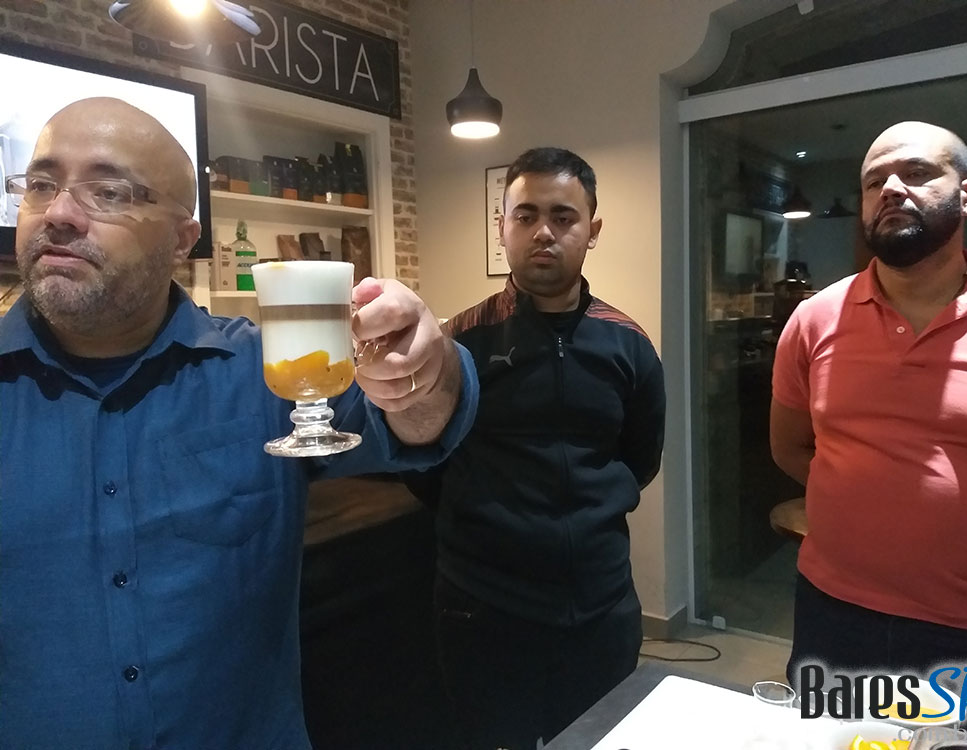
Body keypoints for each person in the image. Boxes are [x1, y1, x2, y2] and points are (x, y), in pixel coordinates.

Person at [0, 97, 477, 749]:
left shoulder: (262, 368)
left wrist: (425, 363)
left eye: (108, 192)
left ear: (182, 239)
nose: (57, 212)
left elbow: (419, 424)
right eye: (41, 184)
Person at [405, 147, 666, 749]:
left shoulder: (628, 344)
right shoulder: (457, 342)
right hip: (483, 608)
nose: (543, 231)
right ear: (502, 228)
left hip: (601, 605)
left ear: (592, 230)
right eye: (525, 216)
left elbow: (639, 459)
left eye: (563, 216)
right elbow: (425, 462)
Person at [771, 121, 967, 733]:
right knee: (831, 742)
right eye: (875, 182)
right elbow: (791, 447)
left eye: (917, 173)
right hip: (834, 613)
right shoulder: (815, 318)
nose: (892, 189)